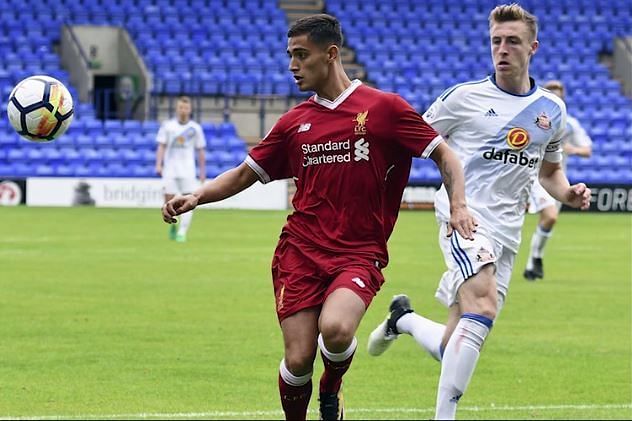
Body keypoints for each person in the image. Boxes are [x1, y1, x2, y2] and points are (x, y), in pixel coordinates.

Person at [161, 14, 476, 421]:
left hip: (359, 252)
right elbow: (244, 174)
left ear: (331, 54)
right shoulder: (294, 124)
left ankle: (331, 387)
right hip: (300, 251)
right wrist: (196, 197)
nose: (292, 65)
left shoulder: (385, 109)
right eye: (290, 55)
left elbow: (443, 153)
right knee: (297, 360)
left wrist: (459, 205)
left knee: (337, 329)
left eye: (301, 55)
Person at [367, 4, 592, 420]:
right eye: (496, 41)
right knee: (483, 306)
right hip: (463, 217)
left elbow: (551, 174)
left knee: (454, 341)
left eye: (512, 41)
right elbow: (410, 139)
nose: (502, 49)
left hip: (508, 232)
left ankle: (404, 319)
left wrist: (568, 194)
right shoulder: (463, 98)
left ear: (533, 48)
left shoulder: (552, 112)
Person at [523, 80, 593, 280]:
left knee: (549, 220)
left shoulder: (568, 123)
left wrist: (573, 150)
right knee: (550, 215)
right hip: (533, 176)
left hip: (556, 178)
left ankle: (532, 263)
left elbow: (587, 150)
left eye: (558, 94)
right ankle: (530, 261)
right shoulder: (530, 118)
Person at [155, 96, 206, 242]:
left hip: (188, 170)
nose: (183, 110)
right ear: (177, 109)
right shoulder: (168, 126)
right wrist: (158, 164)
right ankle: (172, 225)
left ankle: (182, 232)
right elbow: (161, 146)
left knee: (189, 200)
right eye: (181, 107)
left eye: (186, 108)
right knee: (168, 201)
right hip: (170, 169)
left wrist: (202, 171)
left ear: (190, 110)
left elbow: (201, 150)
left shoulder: (195, 128)